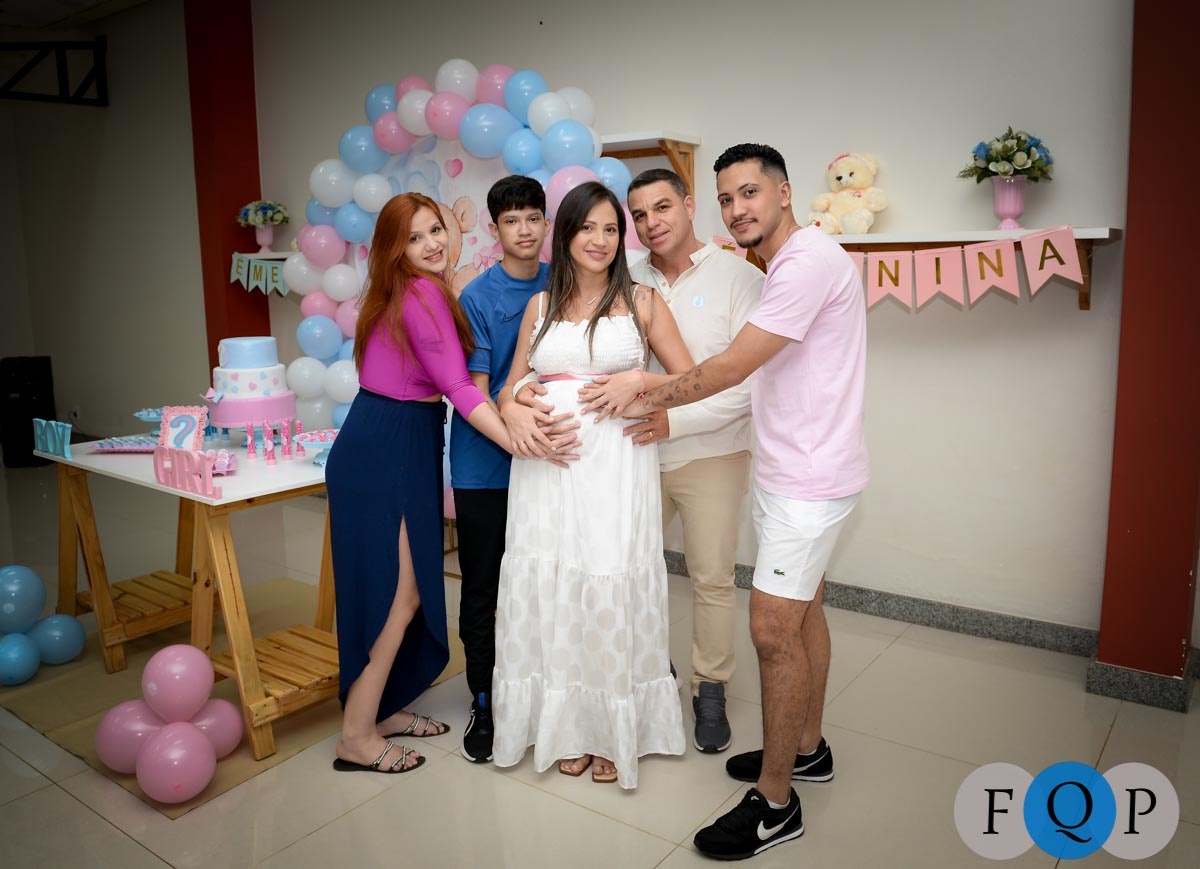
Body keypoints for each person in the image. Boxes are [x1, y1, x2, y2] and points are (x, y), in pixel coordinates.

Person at [621, 144, 868, 859]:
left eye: (750, 193)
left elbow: (731, 367)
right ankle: (809, 748)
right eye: (728, 198)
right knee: (805, 612)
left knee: (769, 631)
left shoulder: (803, 263)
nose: (738, 209)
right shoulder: (786, 262)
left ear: (784, 193)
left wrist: (648, 392)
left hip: (808, 482)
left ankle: (776, 803)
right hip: (790, 469)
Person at [491, 181, 694, 788]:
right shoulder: (539, 306)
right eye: (588, 228)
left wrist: (639, 380)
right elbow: (507, 388)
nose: (601, 240)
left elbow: (689, 378)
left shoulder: (644, 302)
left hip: (614, 469)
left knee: (606, 580)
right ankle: (566, 726)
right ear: (566, 234)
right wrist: (516, 407)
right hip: (546, 474)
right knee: (553, 584)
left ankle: (611, 728)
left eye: (612, 229)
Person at [325, 192, 517, 776]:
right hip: (391, 447)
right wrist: (519, 443)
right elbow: (458, 388)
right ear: (394, 249)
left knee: (390, 588)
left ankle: (381, 710)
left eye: (436, 230)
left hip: (390, 439)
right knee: (399, 593)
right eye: (414, 238)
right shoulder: (423, 294)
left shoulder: (407, 289)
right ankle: (356, 735)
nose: (432, 244)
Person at [623, 167, 763, 753]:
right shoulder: (625, 277)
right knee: (629, 572)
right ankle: (650, 671)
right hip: (634, 456)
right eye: (638, 214)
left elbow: (747, 384)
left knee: (711, 579)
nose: (651, 222)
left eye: (662, 207)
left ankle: (711, 688)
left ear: (688, 204)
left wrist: (674, 421)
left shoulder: (739, 277)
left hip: (713, 452)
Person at [449, 175, 578, 764]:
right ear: (494, 228)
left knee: (549, 579)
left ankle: (546, 685)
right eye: (511, 220)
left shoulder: (566, 283)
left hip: (548, 462)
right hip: (485, 465)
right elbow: (474, 391)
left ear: (547, 224)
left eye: (533, 218)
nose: (524, 230)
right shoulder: (478, 297)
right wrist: (517, 435)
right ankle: (483, 697)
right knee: (482, 585)